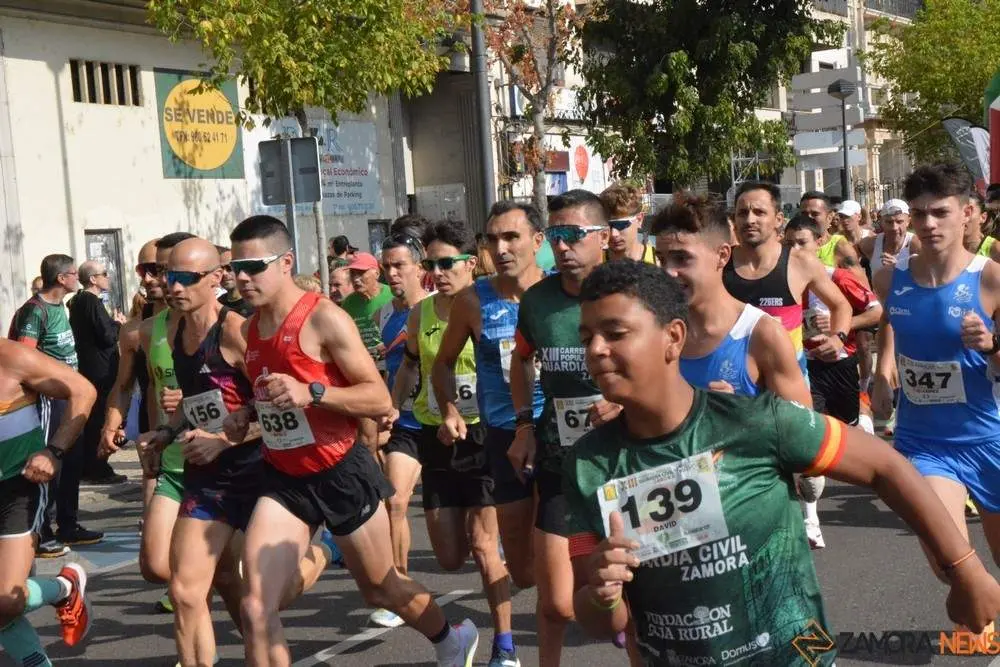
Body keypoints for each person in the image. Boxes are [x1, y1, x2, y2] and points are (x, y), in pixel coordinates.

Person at [563, 260, 1000, 666]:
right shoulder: (588, 465)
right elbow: (600, 621)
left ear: (673, 338)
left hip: (800, 655)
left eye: (615, 333)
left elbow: (886, 465)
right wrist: (602, 592)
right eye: (587, 338)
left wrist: (965, 569)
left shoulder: (757, 422)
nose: (597, 350)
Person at [224, 215, 478, 667]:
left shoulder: (324, 318)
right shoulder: (249, 329)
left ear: (286, 263)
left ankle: (449, 638)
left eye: (254, 266)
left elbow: (377, 396)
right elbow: (267, 392)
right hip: (283, 477)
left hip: (340, 470)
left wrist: (313, 391)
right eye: (236, 268)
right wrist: (246, 412)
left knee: (381, 587)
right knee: (255, 605)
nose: (242, 277)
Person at [388, 219, 514, 666]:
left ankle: (505, 645)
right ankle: (465, 629)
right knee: (447, 557)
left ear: (471, 261)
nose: (437, 272)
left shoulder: (488, 306)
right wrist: (391, 406)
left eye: (447, 263)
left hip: (483, 434)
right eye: (431, 264)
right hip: (434, 435)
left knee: (482, 548)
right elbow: (410, 366)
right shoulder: (419, 313)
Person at [873, 163, 1000, 597]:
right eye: (919, 213)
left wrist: (990, 345)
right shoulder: (891, 278)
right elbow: (891, 324)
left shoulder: (990, 279)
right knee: (949, 559)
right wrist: (881, 374)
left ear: (967, 212)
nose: (927, 224)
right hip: (924, 443)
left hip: (989, 435)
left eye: (939, 212)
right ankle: (981, 611)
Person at [507, 190, 621, 666]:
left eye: (574, 235)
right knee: (555, 604)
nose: (564, 246)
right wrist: (522, 427)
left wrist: (621, 401)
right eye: (556, 236)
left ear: (603, 237)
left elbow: (669, 361)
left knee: (638, 604)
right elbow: (520, 360)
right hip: (561, 460)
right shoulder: (537, 300)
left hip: (625, 459)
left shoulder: (629, 291)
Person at [724, 182, 852, 548]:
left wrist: (837, 338)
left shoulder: (799, 262)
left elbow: (841, 306)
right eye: (742, 212)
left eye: (759, 212)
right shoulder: (721, 264)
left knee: (808, 475)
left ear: (778, 219)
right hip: (737, 387)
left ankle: (808, 503)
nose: (750, 219)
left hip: (790, 385)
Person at [431, 201, 546, 605]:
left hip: (560, 431)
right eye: (493, 239)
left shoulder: (560, 295)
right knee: (523, 569)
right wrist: (449, 409)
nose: (501, 248)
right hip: (505, 436)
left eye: (512, 237)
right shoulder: (472, 300)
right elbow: (442, 365)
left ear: (537, 241)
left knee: (566, 546)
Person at [0, 339, 96, 666]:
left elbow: (82, 390)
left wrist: (53, 451)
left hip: (17, 486)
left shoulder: (11, 356)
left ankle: (64, 587)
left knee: (5, 600)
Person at [9, 253, 102, 556]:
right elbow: (25, 357)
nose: (80, 278)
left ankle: (69, 524)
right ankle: (42, 529)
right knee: (51, 463)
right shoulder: (35, 311)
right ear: (62, 279)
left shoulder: (60, 305)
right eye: (75, 273)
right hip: (49, 399)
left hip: (70, 394)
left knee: (73, 460)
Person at [367, 232, 430, 630]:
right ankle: (399, 589)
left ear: (419, 268)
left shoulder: (440, 310)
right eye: (385, 266)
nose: (391, 273)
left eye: (399, 265)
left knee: (464, 535)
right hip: (404, 421)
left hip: (445, 420)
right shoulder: (383, 315)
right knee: (396, 501)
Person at [69, 260, 127, 484]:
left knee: (92, 416)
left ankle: (89, 465)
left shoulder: (77, 301)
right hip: (100, 368)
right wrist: (118, 324)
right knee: (99, 416)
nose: (108, 277)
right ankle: (97, 467)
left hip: (89, 365)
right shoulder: (91, 301)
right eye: (104, 274)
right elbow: (107, 336)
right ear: (93, 279)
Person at [599, 182, 657, 264]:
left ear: (639, 219)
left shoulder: (659, 262)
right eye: (607, 225)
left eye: (621, 224)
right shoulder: (594, 264)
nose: (613, 234)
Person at [799, 191, 859, 269]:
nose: (809, 218)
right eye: (804, 214)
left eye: (815, 214)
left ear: (830, 217)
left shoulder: (840, 247)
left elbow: (859, 280)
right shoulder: (792, 244)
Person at [858, 199, 920, 272]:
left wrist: (898, 267)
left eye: (899, 222)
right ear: (881, 222)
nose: (894, 227)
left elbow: (930, 279)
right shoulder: (869, 244)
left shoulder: (917, 245)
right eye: (889, 222)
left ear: (908, 221)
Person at [217, 247, 254, 317]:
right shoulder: (219, 303)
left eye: (229, 268)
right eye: (220, 269)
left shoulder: (254, 303)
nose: (224, 273)